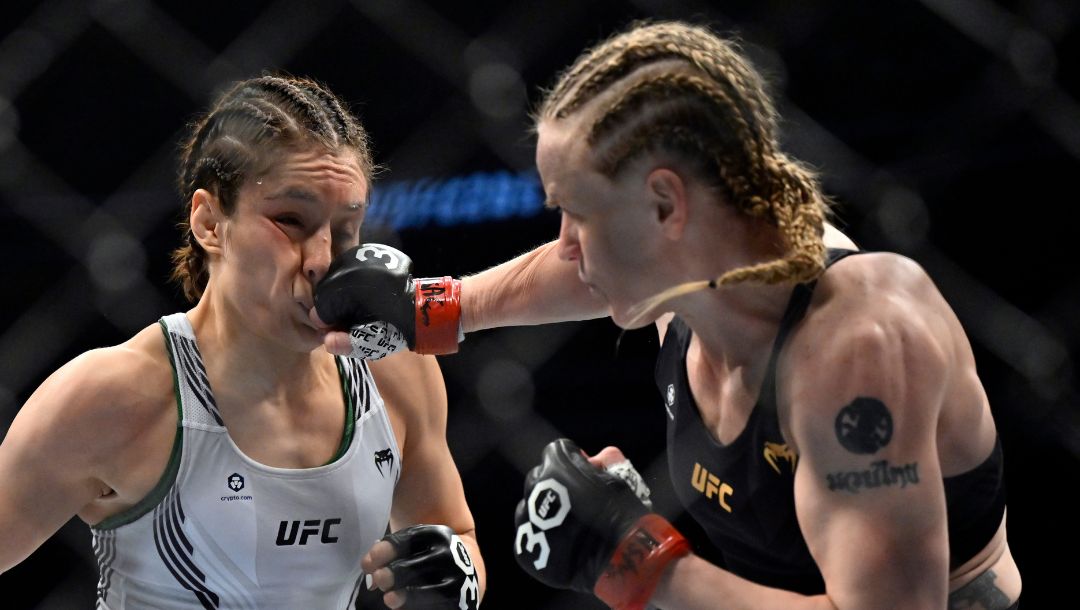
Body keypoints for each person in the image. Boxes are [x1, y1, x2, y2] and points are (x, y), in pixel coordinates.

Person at [313, 21, 1021, 610]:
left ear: (664, 206)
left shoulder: (854, 350)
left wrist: (635, 556)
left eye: (576, 213)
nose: (563, 242)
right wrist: (432, 309)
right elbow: (581, 270)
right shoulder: (685, 281)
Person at [0, 75, 485, 610]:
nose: (323, 258)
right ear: (210, 223)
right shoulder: (114, 395)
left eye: (346, 230)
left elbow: (458, 536)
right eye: (291, 221)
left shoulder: (393, 370)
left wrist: (453, 574)